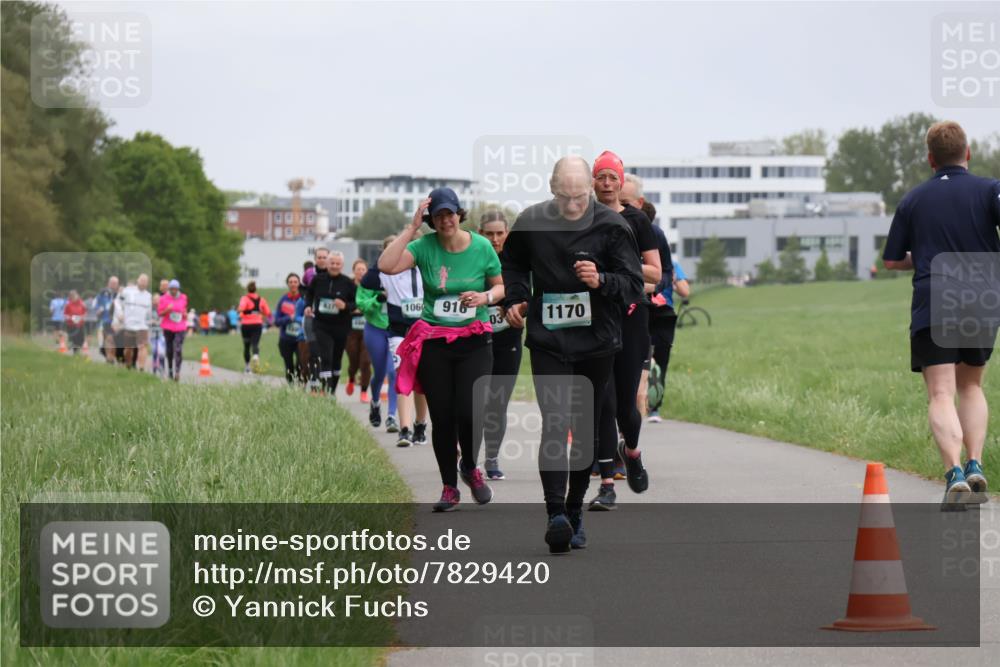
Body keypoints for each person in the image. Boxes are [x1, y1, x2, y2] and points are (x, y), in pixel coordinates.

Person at [501, 156, 644, 552]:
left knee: (583, 430)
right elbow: (511, 263)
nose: (572, 205)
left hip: (597, 342)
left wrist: (601, 280)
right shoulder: (531, 221)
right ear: (551, 188)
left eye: (579, 197)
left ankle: (575, 511)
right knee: (555, 421)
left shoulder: (613, 226)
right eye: (564, 197)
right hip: (549, 340)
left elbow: (634, 285)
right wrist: (515, 298)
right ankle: (554, 515)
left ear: (590, 191)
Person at [883, 120, 999, 506]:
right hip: (982, 296)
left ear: (930, 159)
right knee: (971, 386)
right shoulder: (990, 190)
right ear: (967, 153)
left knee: (941, 392)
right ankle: (975, 463)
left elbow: (892, 260)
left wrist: (925, 257)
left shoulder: (914, 200)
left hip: (935, 298)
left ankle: (953, 475)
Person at [379, 187, 503, 511]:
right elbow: (387, 265)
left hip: (474, 339)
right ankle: (450, 487)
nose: (445, 220)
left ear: (459, 214)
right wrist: (411, 227)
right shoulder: (423, 246)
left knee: (470, 409)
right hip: (435, 342)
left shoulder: (481, 246)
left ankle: (471, 467)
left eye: (450, 213)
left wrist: (484, 298)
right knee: (443, 417)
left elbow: (500, 286)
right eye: (438, 215)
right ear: (430, 220)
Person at [588, 151, 660, 510]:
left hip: (631, 319)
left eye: (611, 177)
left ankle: (631, 451)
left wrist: (620, 271)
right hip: (595, 319)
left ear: (620, 181)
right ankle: (605, 484)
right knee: (603, 401)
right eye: (600, 177)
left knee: (627, 408)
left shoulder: (635, 221)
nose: (605, 183)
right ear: (591, 181)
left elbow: (656, 274)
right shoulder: (582, 218)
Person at [479, 209, 523, 480]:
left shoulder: (517, 261)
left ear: (507, 234)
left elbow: (529, 294)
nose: (495, 239)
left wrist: (520, 310)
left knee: (498, 403)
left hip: (508, 339)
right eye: (489, 234)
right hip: (475, 341)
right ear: (480, 234)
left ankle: (492, 458)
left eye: (499, 233)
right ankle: (466, 454)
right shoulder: (473, 259)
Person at [379, 235, 431, 445]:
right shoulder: (391, 271)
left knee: (423, 380)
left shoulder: (428, 268)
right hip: (400, 329)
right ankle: (405, 428)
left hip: (425, 330)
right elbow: (378, 269)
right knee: (403, 375)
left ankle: (420, 423)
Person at [303, 249, 356, 395]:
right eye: (332, 263)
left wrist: (345, 306)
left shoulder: (348, 283)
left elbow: (357, 302)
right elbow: (309, 294)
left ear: (342, 265)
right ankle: (325, 391)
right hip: (321, 325)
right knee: (326, 356)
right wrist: (308, 306)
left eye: (337, 264)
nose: (334, 266)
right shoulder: (318, 279)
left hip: (341, 326)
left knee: (336, 359)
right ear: (327, 263)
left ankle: (331, 391)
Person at [345, 258, 373, 402]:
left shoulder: (370, 286)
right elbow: (343, 303)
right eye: (358, 269)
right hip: (350, 330)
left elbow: (375, 303)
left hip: (367, 329)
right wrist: (352, 309)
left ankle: (363, 391)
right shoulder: (348, 286)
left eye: (363, 269)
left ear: (367, 272)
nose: (361, 272)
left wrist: (364, 309)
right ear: (354, 271)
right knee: (354, 361)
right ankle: (350, 378)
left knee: (366, 361)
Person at [115, 274, 153, 370]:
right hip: (129, 325)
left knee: (142, 346)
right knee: (128, 349)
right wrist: (120, 314)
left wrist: (149, 321)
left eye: (145, 281)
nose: (143, 283)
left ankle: (141, 368)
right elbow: (117, 302)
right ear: (138, 280)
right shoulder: (128, 291)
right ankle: (128, 364)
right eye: (142, 280)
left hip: (142, 326)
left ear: (147, 283)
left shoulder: (148, 296)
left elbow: (149, 312)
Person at [275, 273, 306, 384]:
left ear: (299, 283)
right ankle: (291, 388)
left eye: (295, 282)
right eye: (290, 282)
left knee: (300, 364)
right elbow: (277, 321)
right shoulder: (283, 300)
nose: (293, 284)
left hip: (300, 338)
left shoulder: (304, 299)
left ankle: (300, 386)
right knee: (289, 366)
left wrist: (298, 318)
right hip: (286, 339)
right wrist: (289, 318)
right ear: (287, 284)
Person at [238, 281, 272, 374]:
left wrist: (243, 312)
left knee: (246, 346)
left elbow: (240, 309)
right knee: (255, 343)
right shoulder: (261, 300)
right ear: (255, 289)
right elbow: (268, 312)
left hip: (246, 325)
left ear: (247, 289)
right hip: (257, 324)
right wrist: (261, 314)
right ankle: (256, 356)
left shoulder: (244, 298)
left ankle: (247, 367)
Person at [158, 279, 188, 381]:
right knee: (170, 350)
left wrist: (185, 314)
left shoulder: (183, 297)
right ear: (169, 289)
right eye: (172, 289)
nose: (174, 291)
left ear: (178, 289)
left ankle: (177, 371)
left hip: (180, 327)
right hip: (168, 326)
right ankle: (170, 369)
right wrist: (167, 310)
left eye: (176, 289)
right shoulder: (163, 298)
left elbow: (184, 310)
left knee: (178, 348)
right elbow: (160, 313)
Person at [94, 276, 119, 362]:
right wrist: (98, 309)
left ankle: (111, 357)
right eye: (112, 283)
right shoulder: (102, 293)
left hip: (117, 321)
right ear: (108, 283)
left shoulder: (120, 294)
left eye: (115, 283)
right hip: (105, 320)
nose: (113, 285)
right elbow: (96, 304)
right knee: (107, 339)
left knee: (114, 341)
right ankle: (108, 356)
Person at [150, 292, 166, 376]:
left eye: (158, 299)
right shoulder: (149, 310)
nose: (156, 301)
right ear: (152, 301)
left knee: (161, 352)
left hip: (161, 334)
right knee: (154, 352)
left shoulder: (163, 309)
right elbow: (146, 320)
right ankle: (154, 370)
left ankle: (162, 368)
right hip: (152, 334)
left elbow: (165, 320)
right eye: (155, 299)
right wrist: (152, 322)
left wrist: (158, 322)